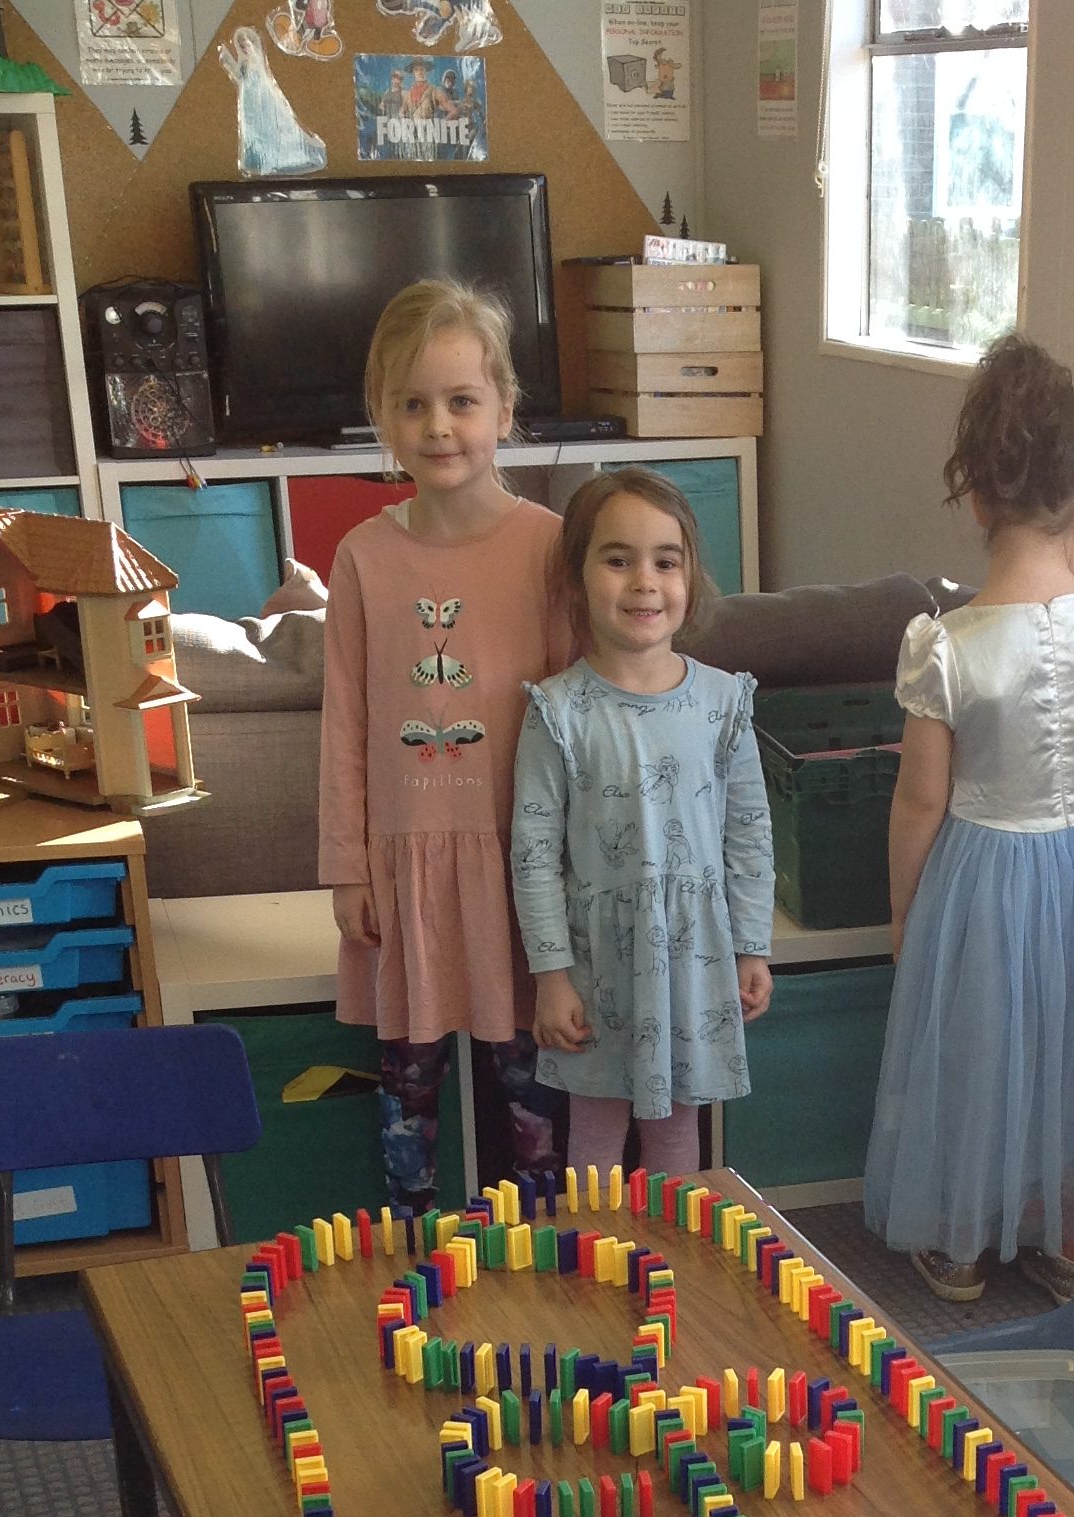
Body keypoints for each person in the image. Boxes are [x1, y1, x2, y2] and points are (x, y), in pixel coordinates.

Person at [863, 336, 1074, 1306]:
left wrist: (906, 912)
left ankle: (959, 1243)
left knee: (980, 1047)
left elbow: (922, 799)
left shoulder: (943, 646)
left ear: (978, 501)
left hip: (984, 872)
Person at [318, 278, 572, 1212]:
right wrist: (347, 867)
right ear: (382, 416)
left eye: (461, 401)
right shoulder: (362, 557)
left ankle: (541, 1240)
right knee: (407, 1085)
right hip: (404, 866)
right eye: (412, 404)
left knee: (533, 1082)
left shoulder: (552, 548)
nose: (438, 426)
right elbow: (345, 723)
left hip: (524, 868)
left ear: (503, 408)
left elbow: (578, 716)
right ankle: (412, 1239)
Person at [510, 468, 774, 1181]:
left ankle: (671, 1247)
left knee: (678, 1130)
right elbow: (534, 854)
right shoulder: (557, 711)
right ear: (577, 578)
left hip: (696, 957)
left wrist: (751, 947)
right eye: (618, 559)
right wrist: (551, 977)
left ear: (689, 577)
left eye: (665, 561)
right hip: (596, 963)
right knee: (596, 1129)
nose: (644, 583)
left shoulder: (723, 701)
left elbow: (749, 833)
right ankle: (598, 1249)